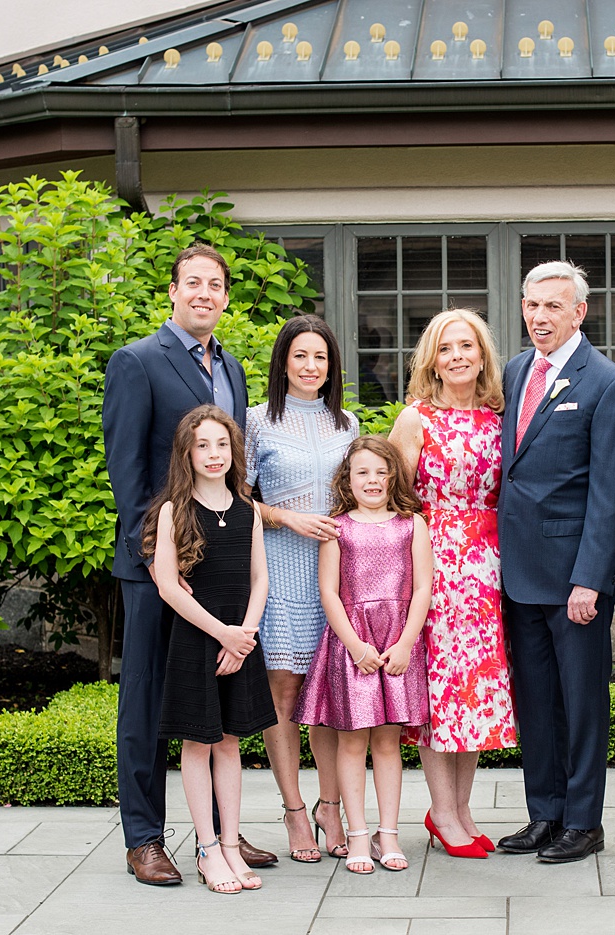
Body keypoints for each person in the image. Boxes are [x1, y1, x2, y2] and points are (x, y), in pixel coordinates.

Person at [103, 243, 277, 884]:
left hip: (222, 562)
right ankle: (145, 837)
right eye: (192, 283)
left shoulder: (231, 369)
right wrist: (155, 561)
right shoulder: (138, 362)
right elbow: (127, 473)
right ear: (172, 292)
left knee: (219, 701)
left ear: (225, 298)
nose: (204, 293)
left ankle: (223, 835)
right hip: (160, 568)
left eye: (215, 285)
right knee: (148, 698)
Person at [496, 260, 615, 864]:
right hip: (517, 572)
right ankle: (545, 813)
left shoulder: (607, 383)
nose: (539, 317)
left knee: (581, 703)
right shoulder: (514, 370)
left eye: (553, 306)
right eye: (532, 305)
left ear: (579, 312)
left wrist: (589, 578)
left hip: (574, 578)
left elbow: (612, 493)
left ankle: (584, 821)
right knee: (535, 700)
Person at [389, 309, 517, 860]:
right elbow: (392, 500)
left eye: (467, 346)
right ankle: (442, 811)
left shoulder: (500, 416)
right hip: (436, 565)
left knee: (477, 693)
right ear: (431, 360)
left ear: (483, 354)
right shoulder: (415, 419)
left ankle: (462, 810)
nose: (458, 356)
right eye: (446, 348)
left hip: (491, 568)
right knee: (442, 690)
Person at [143, 406, 278, 894]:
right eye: (202, 445)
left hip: (240, 640)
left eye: (222, 444)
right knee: (198, 743)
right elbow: (168, 587)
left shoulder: (248, 509)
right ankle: (204, 850)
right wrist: (222, 633)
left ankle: (229, 845)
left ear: (233, 450)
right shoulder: (173, 512)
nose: (214, 454)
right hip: (199, 641)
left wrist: (244, 635)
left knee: (230, 742)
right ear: (187, 453)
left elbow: (260, 578)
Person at [243, 315, 358, 862]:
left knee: (332, 693)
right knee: (285, 691)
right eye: (300, 357)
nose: (312, 367)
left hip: (336, 570)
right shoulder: (258, 422)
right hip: (281, 565)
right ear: (283, 362)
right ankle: (293, 811)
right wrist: (286, 519)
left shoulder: (349, 424)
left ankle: (330, 806)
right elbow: (233, 501)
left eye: (321, 358)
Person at [292, 435, 433, 874]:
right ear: (347, 480)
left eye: (380, 472)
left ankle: (387, 834)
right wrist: (355, 645)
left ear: (393, 476)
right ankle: (355, 835)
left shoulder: (412, 524)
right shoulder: (339, 528)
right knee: (352, 742)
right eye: (362, 473)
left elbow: (423, 586)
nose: (372, 480)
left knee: (389, 742)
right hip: (352, 645)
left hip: (396, 643)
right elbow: (329, 593)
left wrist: (407, 642)